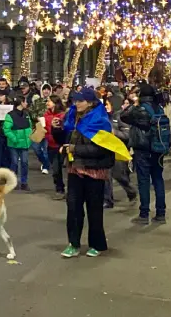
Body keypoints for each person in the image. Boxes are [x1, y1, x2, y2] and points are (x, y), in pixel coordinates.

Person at [61, 88, 114, 258]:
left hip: (94, 171)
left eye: (80, 101)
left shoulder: (101, 121)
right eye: (75, 100)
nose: (76, 104)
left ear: (90, 102)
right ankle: (73, 243)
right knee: (73, 209)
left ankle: (96, 244)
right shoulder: (73, 119)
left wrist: (75, 148)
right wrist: (58, 130)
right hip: (75, 169)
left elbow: (101, 149)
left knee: (94, 209)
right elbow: (66, 139)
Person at [121, 83, 167, 225]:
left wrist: (134, 103)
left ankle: (144, 213)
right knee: (158, 179)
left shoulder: (139, 109)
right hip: (158, 147)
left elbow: (124, 116)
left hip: (143, 148)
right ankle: (160, 213)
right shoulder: (158, 108)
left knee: (144, 181)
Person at [3, 96, 32, 191]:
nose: (27, 103)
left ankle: (24, 182)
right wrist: (15, 139)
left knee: (25, 163)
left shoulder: (26, 114)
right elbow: (6, 129)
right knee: (14, 163)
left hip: (24, 143)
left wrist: (30, 137)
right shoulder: (10, 115)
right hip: (14, 144)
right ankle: (13, 182)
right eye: (25, 101)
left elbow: (30, 127)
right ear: (21, 103)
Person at [44, 95, 67, 200]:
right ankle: (59, 186)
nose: (47, 102)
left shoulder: (62, 115)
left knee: (57, 168)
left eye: (50, 101)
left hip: (59, 145)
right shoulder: (46, 115)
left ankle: (60, 189)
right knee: (54, 167)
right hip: (50, 144)